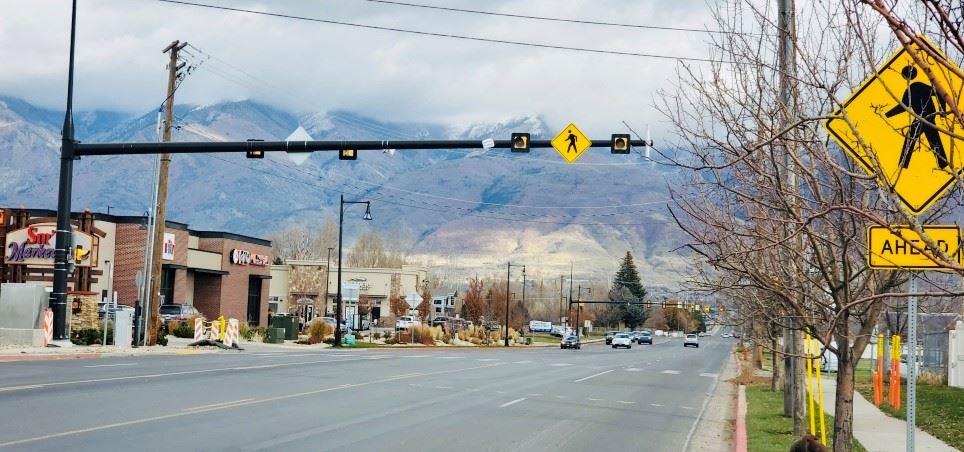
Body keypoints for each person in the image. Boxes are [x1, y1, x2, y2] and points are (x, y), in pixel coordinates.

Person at [885, 65, 948, 169]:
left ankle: (903, 164)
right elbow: (903, 107)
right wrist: (887, 115)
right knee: (932, 138)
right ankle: (943, 164)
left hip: (924, 117)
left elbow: (939, 93)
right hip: (924, 117)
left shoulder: (916, 86)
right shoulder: (912, 88)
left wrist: (942, 111)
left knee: (912, 137)